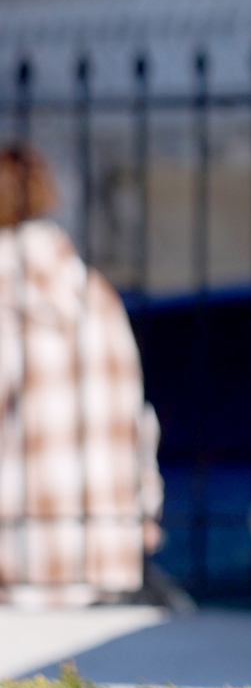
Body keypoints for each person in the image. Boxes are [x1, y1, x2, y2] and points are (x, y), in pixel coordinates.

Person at [0, 144, 162, 603]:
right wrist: (141, 514)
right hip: (103, 554)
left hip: (16, 557)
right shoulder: (94, 292)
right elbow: (138, 421)